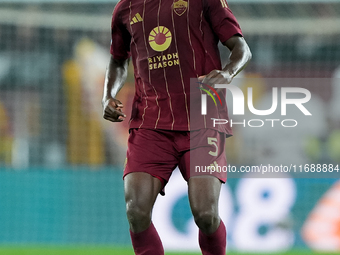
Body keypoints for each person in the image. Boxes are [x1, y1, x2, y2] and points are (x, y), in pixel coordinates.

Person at [102, 0, 251, 254]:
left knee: (206, 214)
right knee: (135, 210)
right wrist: (108, 95)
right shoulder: (125, 8)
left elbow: (242, 49)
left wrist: (227, 73)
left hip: (203, 117)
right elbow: (118, 60)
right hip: (151, 123)